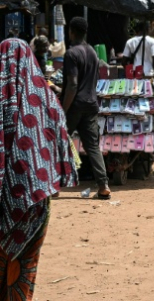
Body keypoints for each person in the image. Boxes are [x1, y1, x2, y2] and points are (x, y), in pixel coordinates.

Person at [0, 38, 78, 299]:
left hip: (3, 201)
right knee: (25, 266)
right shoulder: (47, 100)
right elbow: (61, 144)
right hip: (36, 202)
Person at [62, 17, 111, 200]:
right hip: (91, 104)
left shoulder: (71, 54)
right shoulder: (92, 52)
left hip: (75, 105)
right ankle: (103, 185)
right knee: (92, 146)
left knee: (60, 142)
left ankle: (55, 183)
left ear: (71, 32)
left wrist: (63, 109)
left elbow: (73, 85)